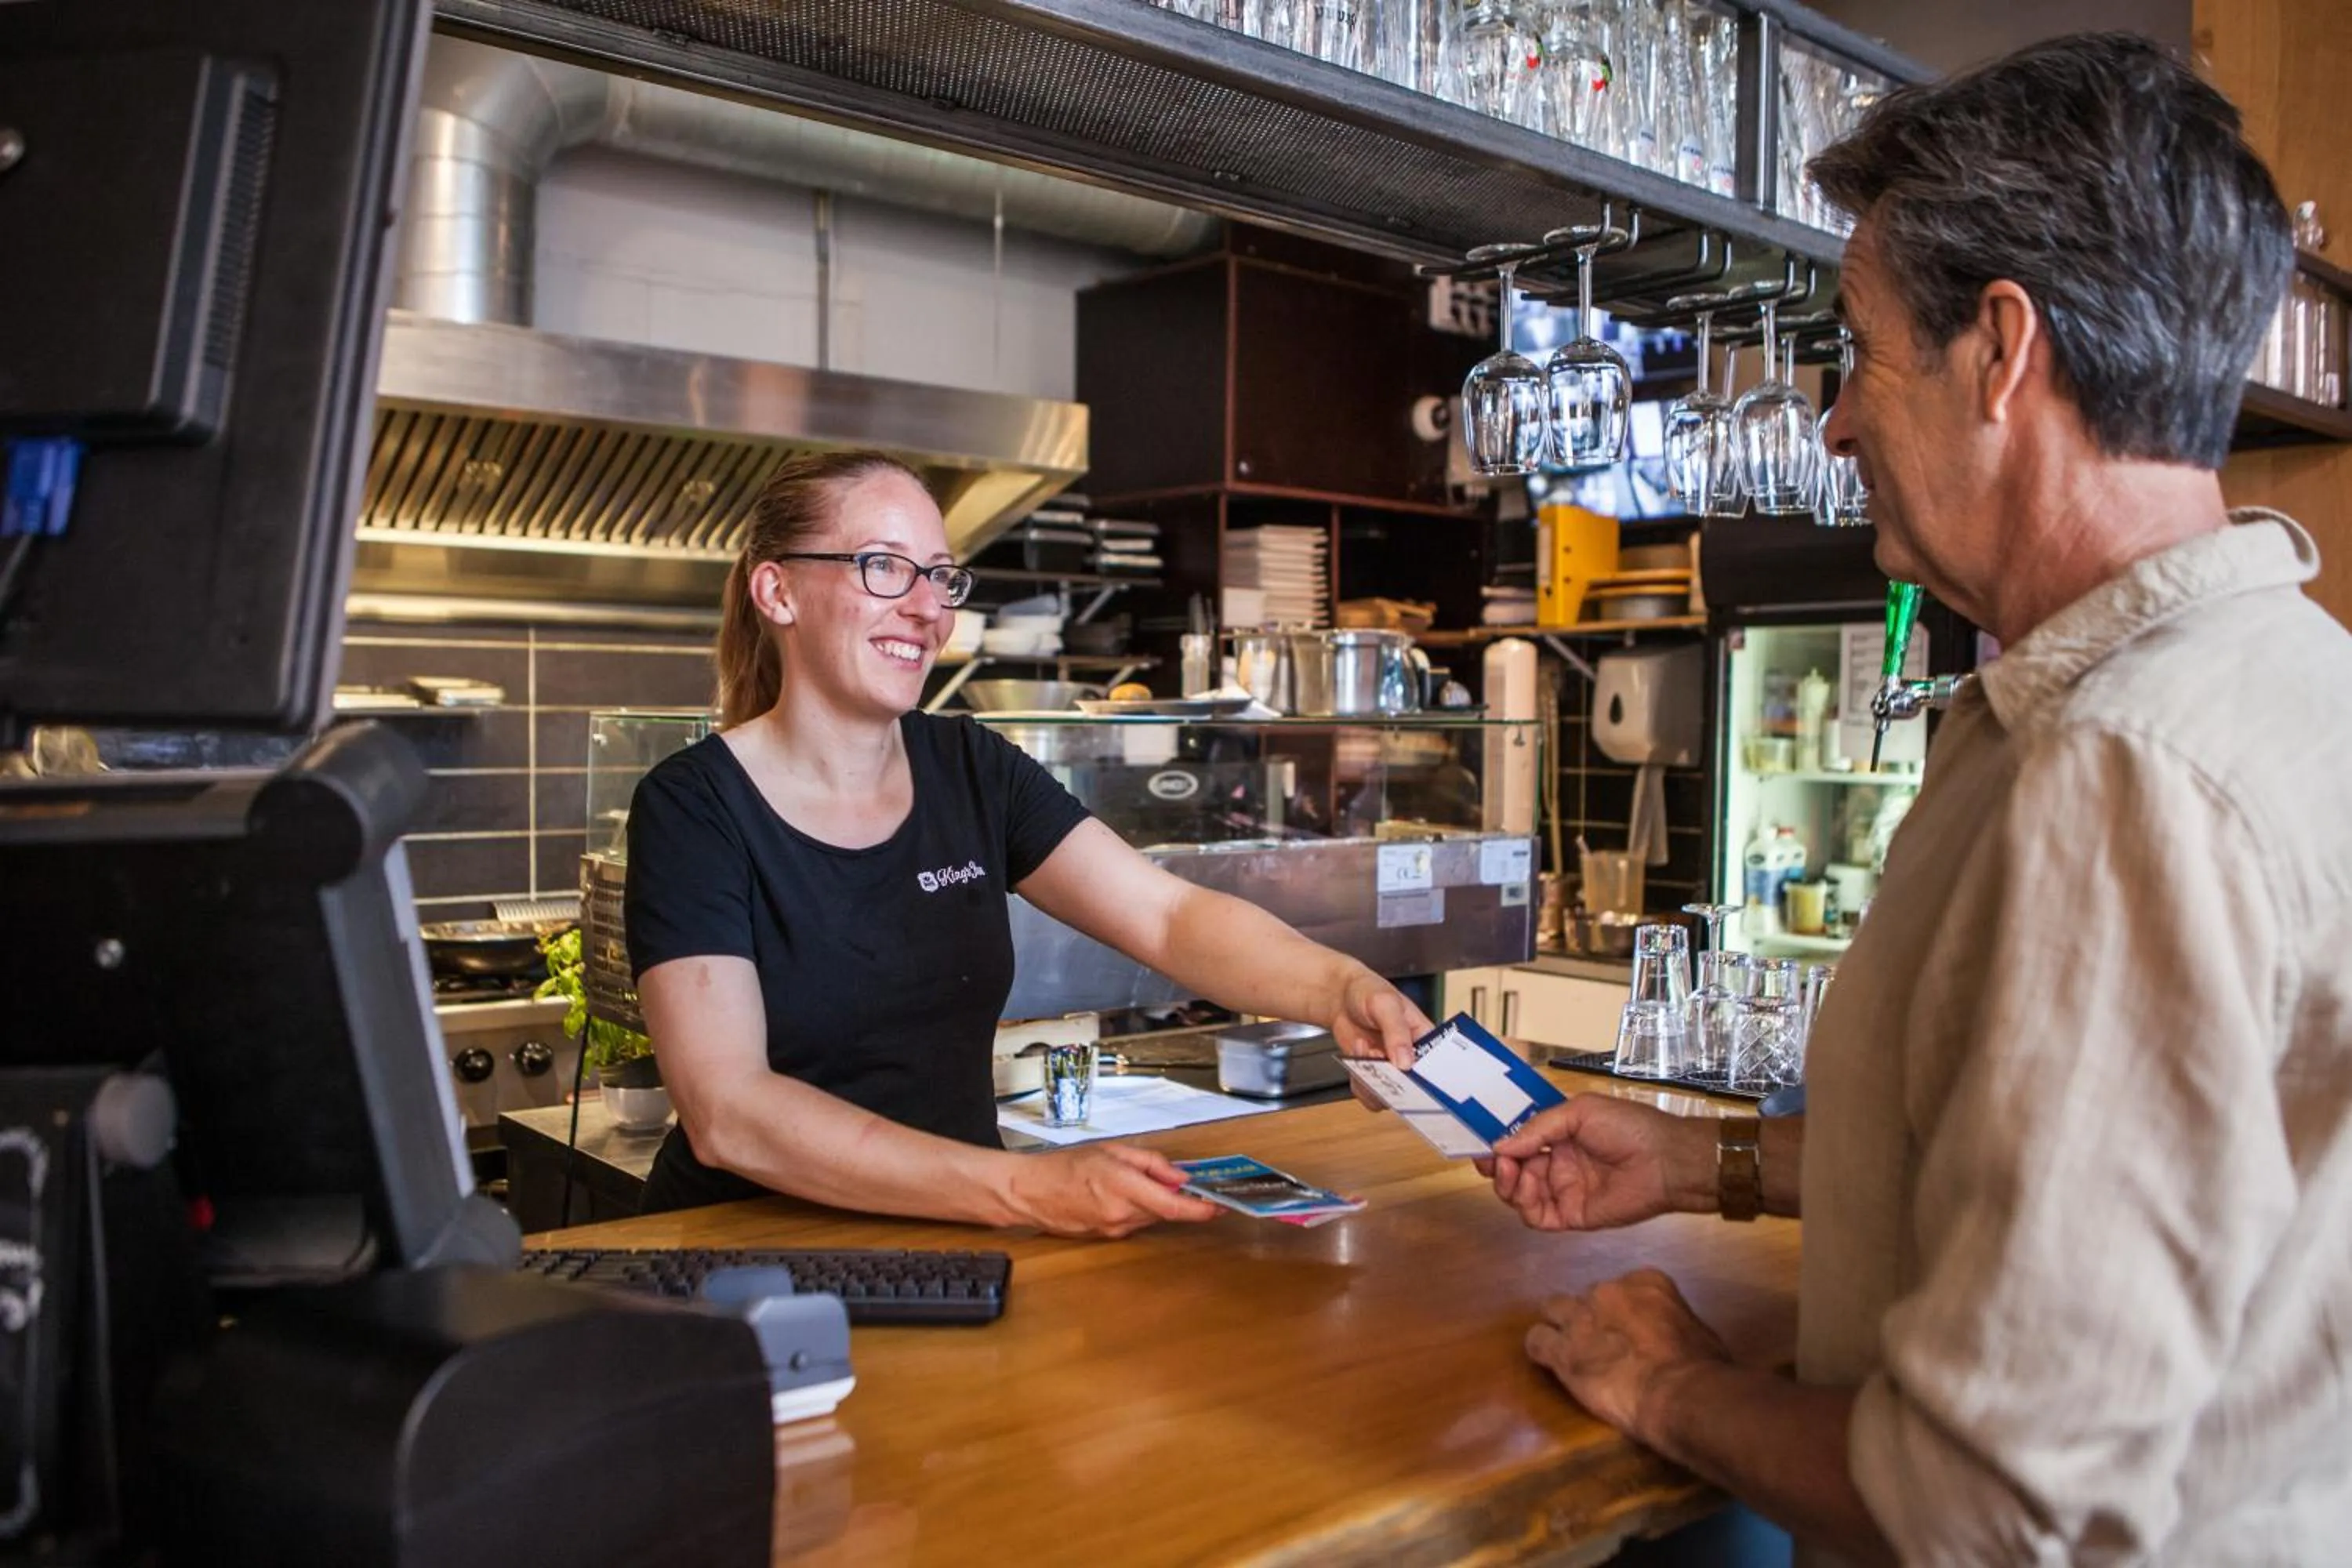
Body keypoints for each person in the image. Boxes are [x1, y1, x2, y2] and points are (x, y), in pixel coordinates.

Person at [1480, 33, 2352, 1564]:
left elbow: (1994, 1502)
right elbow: (2063, 1174)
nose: (1833, 420)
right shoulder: (2288, 680)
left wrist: (1669, 1385)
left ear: (2001, 352)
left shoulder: (2127, 770)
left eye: (1864, 351)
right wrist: (1698, 1160)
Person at [623, 448, 1429, 1235]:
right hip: (747, 1250)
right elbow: (728, 1111)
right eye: (884, 566)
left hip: (950, 1237)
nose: (926, 607)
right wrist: (1021, 1185)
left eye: (940, 575)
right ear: (778, 590)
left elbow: (1168, 917)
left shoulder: (973, 768)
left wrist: (1340, 986)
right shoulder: (694, 807)